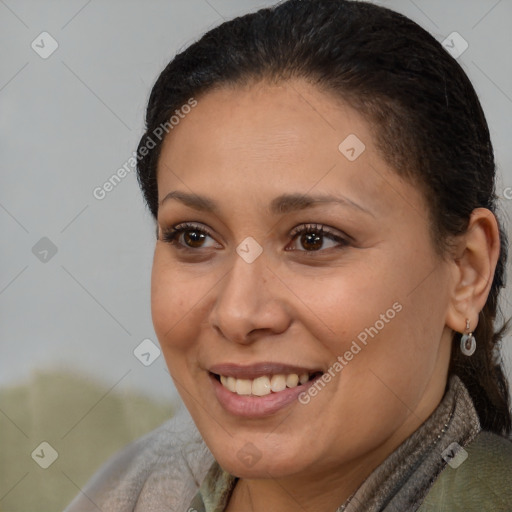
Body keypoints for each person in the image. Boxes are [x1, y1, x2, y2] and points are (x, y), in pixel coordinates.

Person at [65, 1, 512, 510]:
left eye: (314, 240)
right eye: (193, 237)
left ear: (468, 272)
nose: (237, 313)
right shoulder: (133, 490)